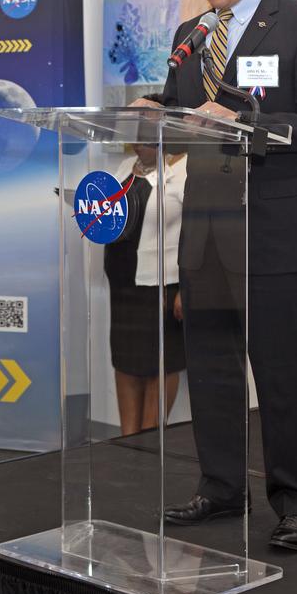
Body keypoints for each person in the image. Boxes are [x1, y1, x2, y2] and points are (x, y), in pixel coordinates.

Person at [132, 0, 297, 551]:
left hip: (276, 229)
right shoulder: (194, 33)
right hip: (205, 227)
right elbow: (182, 114)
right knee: (212, 369)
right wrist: (151, 113)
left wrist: (245, 125)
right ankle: (222, 488)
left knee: (281, 376)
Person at [104, 144, 188, 436]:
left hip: (163, 285)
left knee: (160, 365)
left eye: (146, 137)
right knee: (125, 361)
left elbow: (198, 231)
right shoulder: (125, 167)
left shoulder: (184, 169)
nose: (139, 144)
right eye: (137, 138)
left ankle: (151, 443)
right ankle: (128, 440)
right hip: (123, 282)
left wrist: (188, 287)